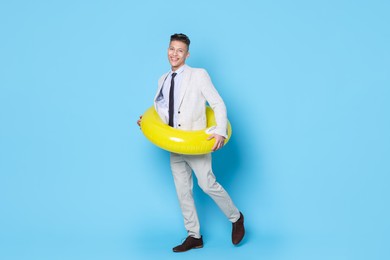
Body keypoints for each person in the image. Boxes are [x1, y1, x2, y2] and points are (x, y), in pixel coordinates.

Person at [137, 33, 245, 252]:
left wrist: (220, 132)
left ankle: (236, 217)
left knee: (207, 185)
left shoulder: (198, 75)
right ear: (167, 50)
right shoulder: (162, 79)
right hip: (174, 145)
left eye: (179, 50)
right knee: (182, 191)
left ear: (187, 54)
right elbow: (162, 111)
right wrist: (146, 123)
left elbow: (218, 104)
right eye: (171, 48)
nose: (174, 53)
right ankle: (194, 236)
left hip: (195, 143)